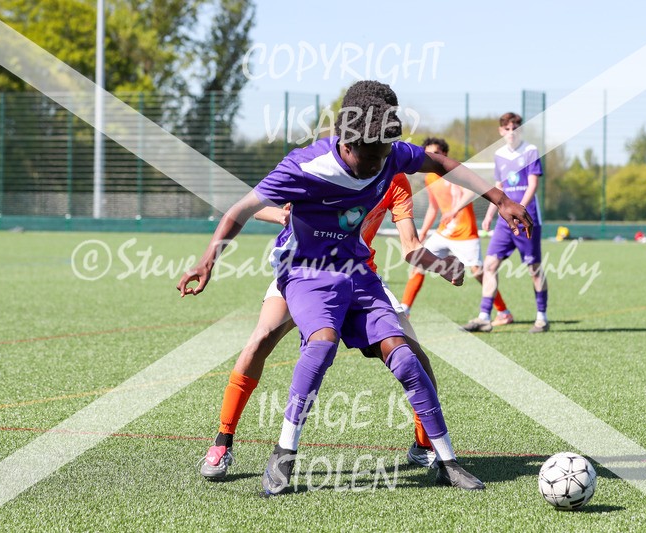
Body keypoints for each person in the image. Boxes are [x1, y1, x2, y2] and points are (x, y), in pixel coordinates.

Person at [178, 81, 532, 495]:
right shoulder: (305, 166)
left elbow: (438, 166)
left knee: (408, 356)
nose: (378, 166)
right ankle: (249, 446)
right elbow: (242, 209)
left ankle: (442, 458)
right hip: (304, 270)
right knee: (288, 341)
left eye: (384, 156)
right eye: (371, 157)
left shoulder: (389, 157)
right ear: (347, 143)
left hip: (358, 272)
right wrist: (208, 259)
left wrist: (500, 199)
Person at [198, 172, 457, 481]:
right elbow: (255, 206)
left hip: (360, 276)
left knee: (415, 358)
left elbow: (410, 245)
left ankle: (423, 445)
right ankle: (223, 439)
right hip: (302, 270)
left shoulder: (395, 179)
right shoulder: (325, 164)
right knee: (260, 339)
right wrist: (282, 215)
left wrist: (443, 265)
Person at [400, 137, 513, 326]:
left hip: (465, 232)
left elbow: (470, 192)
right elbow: (433, 208)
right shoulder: (429, 177)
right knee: (418, 263)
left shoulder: (454, 173)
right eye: (428, 153)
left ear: (444, 154)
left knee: (478, 272)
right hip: (443, 232)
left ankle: (503, 312)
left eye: (436, 153)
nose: (431, 157)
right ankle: (405, 310)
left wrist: (454, 209)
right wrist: (424, 232)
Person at [463, 112, 548, 334]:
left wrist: (520, 209)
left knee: (534, 268)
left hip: (527, 219)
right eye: (507, 129)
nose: (511, 133)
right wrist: (490, 214)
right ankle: (484, 317)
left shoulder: (531, 151)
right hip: (504, 222)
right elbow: (499, 189)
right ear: (501, 131)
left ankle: (541, 317)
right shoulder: (499, 154)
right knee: (490, 265)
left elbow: (532, 184)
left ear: (521, 130)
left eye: (515, 128)